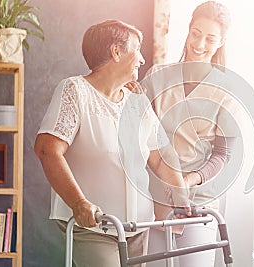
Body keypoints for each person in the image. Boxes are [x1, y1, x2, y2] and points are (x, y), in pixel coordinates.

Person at [34, 19, 191, 267]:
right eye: (137, 49)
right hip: (95, 227)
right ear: (116, 52)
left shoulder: (136, 101)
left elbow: (160, 159)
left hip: (138, 227)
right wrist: (79, 203)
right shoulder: (75, 90)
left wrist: (181, 198)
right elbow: (47, 149)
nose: (142, 59)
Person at [136, 2, 240, 266]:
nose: (200, 43)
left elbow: (222, 155)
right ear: (188, 30)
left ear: (222, 42)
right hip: (157, 202)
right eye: (196, 33)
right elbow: (139, 133)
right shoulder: (158, 76)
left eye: (210, 38)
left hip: (199, 205)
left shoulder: (227, 91)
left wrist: (189, 180)